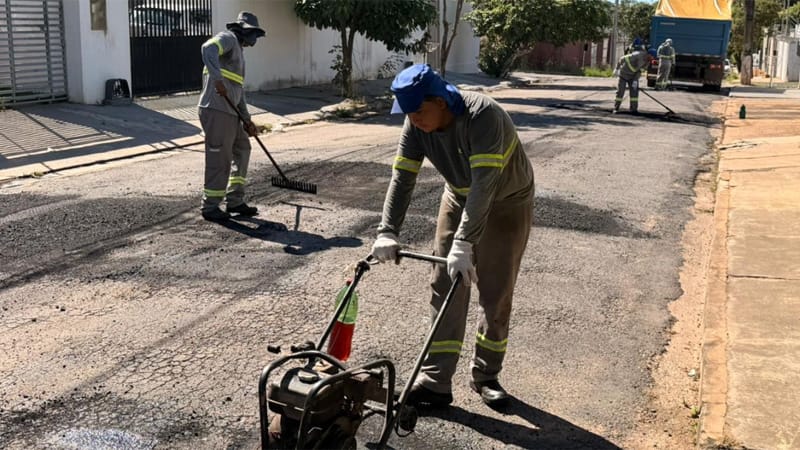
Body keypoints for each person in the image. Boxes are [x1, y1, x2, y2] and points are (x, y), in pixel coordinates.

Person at [370, 64, 535, 408]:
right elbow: (403, 178)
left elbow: (485, 188)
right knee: (444, 282)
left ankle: (487, 375)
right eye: (407, 112)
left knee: (495, 288)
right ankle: (435, 380)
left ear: (440, 102)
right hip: (458, 194)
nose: (414, 119)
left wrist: (465, 243)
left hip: (506, 201)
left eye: (418, 111)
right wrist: (387, 230)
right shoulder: (415, 123)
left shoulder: (484, 116)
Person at [197, 11, 266, 222]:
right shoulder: (228, 38)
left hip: (230, 111)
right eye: (253, 34)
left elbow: (238, 91)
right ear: (245, 31)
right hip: (217, 109)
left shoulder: (239, 52)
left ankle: (235, 200)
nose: (253, 41)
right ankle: (210, 206)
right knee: (220, 157)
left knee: (243, 148)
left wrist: (247, 119)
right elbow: (207, 48)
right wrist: (217, 78)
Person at [613, 48, 651, 114]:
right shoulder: (637, 55)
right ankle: (616, 108)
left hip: (633, 77)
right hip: (624, 75)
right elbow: (622, 58)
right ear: (648, 54)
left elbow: (640, 71)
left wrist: (635, 80)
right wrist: (617, 68)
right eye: (652, 56)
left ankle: (633, 109)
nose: (652, 58)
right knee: (620, 92)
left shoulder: (648, 62)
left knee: (634, 93)